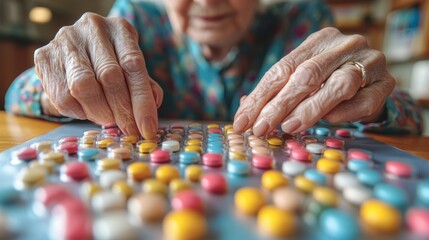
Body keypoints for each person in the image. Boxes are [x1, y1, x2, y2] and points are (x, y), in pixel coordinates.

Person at [5, 0, 423, 139]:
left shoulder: (301, 19)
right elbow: (16, 97)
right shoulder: (135, 20)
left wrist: (372, 98)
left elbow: (410, 118)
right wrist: (58, 83)